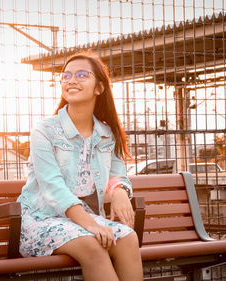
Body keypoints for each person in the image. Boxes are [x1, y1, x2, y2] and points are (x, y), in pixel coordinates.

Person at [17, 51, 143, 281]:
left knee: (128, 239)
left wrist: (120, 193)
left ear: (99, 88)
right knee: (93, 246)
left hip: (82, 220)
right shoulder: (44, 131)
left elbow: (118, 176)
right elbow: (52, 188)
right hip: (41, 220)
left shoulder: (107, 134)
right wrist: (92, 226)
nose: (71, 80)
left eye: (82, 75)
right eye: (66, 76)